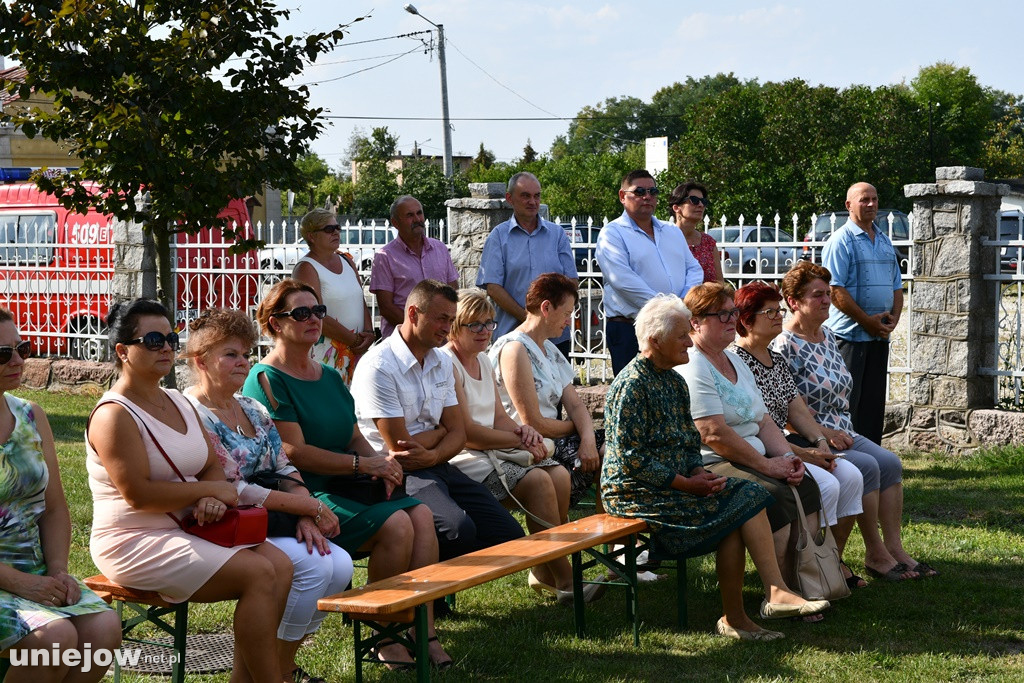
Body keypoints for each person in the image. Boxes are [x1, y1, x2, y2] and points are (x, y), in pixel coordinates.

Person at [242, 279, 451, 670]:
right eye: (301, 313)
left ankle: (423, 628)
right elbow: (293, 452)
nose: (313, 319)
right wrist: (362, 465)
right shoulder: (266, 378)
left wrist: (382, 464)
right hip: (306, 491)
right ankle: (381, 633)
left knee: (421, 515)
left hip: (349, 482)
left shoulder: (330, 375)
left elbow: (354, 435)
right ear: (274, 323)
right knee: (398, 527)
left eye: (318, 311)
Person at [87, 299, 293, 682]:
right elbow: (139, 495)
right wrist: (210, 492)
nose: (166, 347)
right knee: (258, 574)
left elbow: (209, 465)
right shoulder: (114, 414)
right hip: (134, 539)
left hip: (186, 525)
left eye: (170, 337)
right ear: (122, 351)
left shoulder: (179, 400)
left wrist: (211, 495)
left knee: (281, 565)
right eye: (152, 339)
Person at [602, 294, 829, 641]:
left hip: (673, 484)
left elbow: (688, 442)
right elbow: (632, 460)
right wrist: (684, 483)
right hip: (636, 493)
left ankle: (762, 602)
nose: (687, 341)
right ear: (654, 341)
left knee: (745, 498)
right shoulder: (632, 385)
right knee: (741, 505)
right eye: (680, 335)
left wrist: (697, 472)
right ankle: (748, 610)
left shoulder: (673, 381)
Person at [183, 308, 354, 683]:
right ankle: (269, 673)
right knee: (312, 567)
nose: (243, 362)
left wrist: (308, 513)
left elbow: (285, 467)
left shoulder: (252, 407)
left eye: (246, 353)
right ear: (201, 361)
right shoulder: (192, 412)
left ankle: (280, 663)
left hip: (274, 516)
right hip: (228, 524)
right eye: (231, 354)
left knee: (340, 566)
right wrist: (306, 505)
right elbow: (232, 488)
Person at [774, 260, 938, 580]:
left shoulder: (829, 335)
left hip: (842, 429)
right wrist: (822, 432)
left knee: (889, 462)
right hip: (805, 436)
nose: (826, 300)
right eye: (817, 295)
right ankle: (872, 554)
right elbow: (783, 411)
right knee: (867, 466)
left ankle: (894, 548)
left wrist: (837, 430)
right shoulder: (783, 345)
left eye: (827, 294)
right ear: (793, 301)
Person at [443, 290, 602, 604]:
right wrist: (520, 437)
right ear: (455, 326)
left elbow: (500, 418)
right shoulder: (449, 362)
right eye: (474, 325)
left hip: (491, 451)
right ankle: (567, 580)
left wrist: (524, 432)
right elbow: (466, 433)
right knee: (541, 481)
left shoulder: (482, 361)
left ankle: (545, 571)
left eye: (489, 324)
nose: (485, 331)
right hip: (462, 457)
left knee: (558, 475)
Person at [350, 279, 525, 564]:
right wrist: (441, 431)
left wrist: (435, 448)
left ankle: (435, 584)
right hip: (395, 474)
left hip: (436, 464)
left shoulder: (440, 361)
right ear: (413, 314)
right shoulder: (379, 366)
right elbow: (401, 447)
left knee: (508, 534)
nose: (447, 328)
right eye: (441, 319)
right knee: (458, 530)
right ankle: (427, 598)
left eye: (452, 320)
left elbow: (457, 433)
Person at [676, 283, 823, 589]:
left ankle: (806, 579)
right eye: (722, 314)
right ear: (696, 322)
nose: (732, 319)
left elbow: (764, 420)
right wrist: (768, 466)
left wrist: (787, 456)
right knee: (775, 494)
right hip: (712, 461)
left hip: (752, 455)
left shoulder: (735, 360)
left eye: (733, 312)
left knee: (807, 487)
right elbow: (712, 433)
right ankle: (780, 589)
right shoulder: (694, 365)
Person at [0, 310, 121, 682]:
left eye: (23, 348)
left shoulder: (30, 415)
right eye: (3, 353)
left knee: (103, 630)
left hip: (35, 571)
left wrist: (58, 571)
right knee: (55, 639)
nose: (20, 360)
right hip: (8, 580)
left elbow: (53, 510)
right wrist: (21, 583)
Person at [732, 282, 867, 589]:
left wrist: (820, 443)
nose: (779, 316)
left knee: (851, 476)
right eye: (770, 311)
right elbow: (757, 424)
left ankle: (831, 560)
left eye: (779, 309)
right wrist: (807, 455)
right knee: (829, 485)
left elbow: (798, 411)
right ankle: (804, 570)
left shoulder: (775, 359)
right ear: (746, 318)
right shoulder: (736, 360)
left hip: (787, 442)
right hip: (763, 447)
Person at [490, 273, 603, 508]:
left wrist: (588, 438)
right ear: (546, 307)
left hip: (555, 437)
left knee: (614, 448)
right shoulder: (515, 349)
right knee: (609, 454)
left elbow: (575, 404)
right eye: (567, 313)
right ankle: (576, 537)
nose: (569, 321)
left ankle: (614, 538)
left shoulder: (549, 349)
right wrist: (578, 429)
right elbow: (533, 423)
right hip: (532, 443)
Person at [595, 169, 704, 374]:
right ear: (622, 196)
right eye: (639, 192)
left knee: (672, 390)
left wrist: (679, 305)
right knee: (636, 396)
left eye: (653, 191)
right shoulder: (612, 234)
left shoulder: (672, 231)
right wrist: (667, 310)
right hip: (631, 329)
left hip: (675, 327)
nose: (647, 196)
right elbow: (622, 281)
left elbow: (694, 268)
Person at [820, 181, 903, 445]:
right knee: (847, 405)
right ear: (849, 205)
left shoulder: (885, 241)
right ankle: (849, 458)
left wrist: (892, 321)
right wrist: (867, 322)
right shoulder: (839, 242)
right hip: (850, 337)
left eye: (874, 199)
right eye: (864, 199)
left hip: (878, 337)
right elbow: (835, 290)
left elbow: (897, 286)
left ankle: (873, 457)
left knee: (873, 405)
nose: (870, 204)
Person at [476, 172, 579, 359]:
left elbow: (571, 281)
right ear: (510, 199)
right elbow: (493, 287)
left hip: (555, 339)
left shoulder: (557, 235)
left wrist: (550, 320)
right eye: (525, 196)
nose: (533, 201)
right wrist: (531, 320)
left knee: (557, 389)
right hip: (513, 338)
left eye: (537, 195)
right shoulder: (498, 237)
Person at [291, 208, 375, 385]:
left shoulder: (346, 260)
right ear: (311, 236)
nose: (336, 232)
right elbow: (314, 314)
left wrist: (368, 333)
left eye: (337, 228)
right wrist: (353, 340)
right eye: (328, 229)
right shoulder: (306, 268)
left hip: (357, 349)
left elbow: (360, 299)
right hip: (327, 350)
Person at [370, 195, 458, 339]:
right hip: (404, 341)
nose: (417, 219)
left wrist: (443, 328)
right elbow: (386, 308)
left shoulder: (440, 249)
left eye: (419, 213)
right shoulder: (385, 256)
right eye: (409, 215)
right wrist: (420, 328)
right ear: (395, 223)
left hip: (441, 339)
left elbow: (453, 291)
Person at [668, 181, 724, 284]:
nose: (701, 205)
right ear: (676, 207)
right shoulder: (665, 240)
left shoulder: (708, 242)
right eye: (694, 200)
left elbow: (719, 282)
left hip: (707, 299)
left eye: (703, 201)